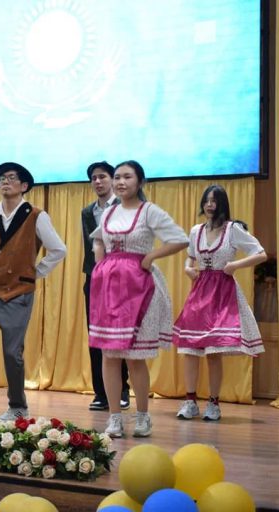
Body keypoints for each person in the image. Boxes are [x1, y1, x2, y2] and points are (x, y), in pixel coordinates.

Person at [89, 160, 188, 438]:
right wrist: (100, 265)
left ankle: (143, 416)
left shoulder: (149, 211)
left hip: (140, 287)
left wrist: (151, 256)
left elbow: (180, 239)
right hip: (109, 288)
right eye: (117, 177)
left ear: (140, 181)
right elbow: (98, 239)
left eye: (127, 177)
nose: (121, 182)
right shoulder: (109, 212)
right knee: (109, 355)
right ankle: (114, 418)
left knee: (134, 357)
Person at [0, 162, 66, 421]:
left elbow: (58, 249)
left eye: (10, 177)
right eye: (1, 178)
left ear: (24, 185)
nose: (4, 182)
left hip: (18, 292)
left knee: (11, 353)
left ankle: (18, 405)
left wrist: (34, 273)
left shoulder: (36, 215)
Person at [172, 185, 267, 421]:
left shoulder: (233, 229)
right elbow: (190, 258)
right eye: (206, 200)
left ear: (222, 203)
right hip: (200, 293)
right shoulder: (196, 230)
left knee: (214, 351)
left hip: (223, 292)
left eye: (214, 200)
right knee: (190, 349)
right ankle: (190, 401)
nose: (209, 204)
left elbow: (260, 253)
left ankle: (213, 403)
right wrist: (187, 268)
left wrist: (235, 265)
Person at [81, 161, 130, 411]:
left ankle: (122, 390)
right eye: (94, 178)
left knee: (119, 335)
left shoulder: (126, 207)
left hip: (121, 278)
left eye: (102, 177)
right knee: (96, 335)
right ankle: (100, 393)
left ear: (112, 179)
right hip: (95, 278)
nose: (98, 182)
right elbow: (89, 247)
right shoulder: (87, 212)